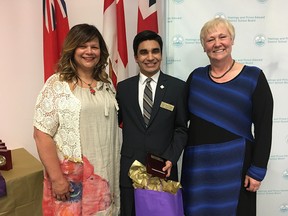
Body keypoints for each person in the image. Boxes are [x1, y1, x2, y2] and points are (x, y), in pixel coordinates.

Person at [181, 17, 273, 216]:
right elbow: (179, 121)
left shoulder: (253, 77)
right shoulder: (195, 77)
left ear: (232, 40)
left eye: (222, 37)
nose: (217, 43)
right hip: (198, 170)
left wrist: (257, 170)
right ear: (203, 46)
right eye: (210, 39)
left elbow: (264, 128)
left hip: (236, 168)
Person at [33, 24, 120, 216]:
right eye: (83, 46)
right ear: (72, 49)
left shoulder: (107, 84)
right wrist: (57, 179)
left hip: (105, 175)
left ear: (101, 51)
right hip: (70, 181)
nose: (89, 51)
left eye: (94, 47)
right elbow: (41, 134)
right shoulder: (57, 84)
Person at [116, 30, 188, 216]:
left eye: (155, 51)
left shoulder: (177, 88)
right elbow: (115, 124)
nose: (150, 57)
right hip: (130, 170)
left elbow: (181, 128)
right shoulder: (123, 89)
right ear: (135, 57)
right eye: (144, 52)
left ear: (161, 54)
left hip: (164, 168)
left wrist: (171, 157)